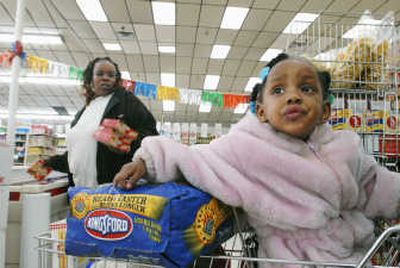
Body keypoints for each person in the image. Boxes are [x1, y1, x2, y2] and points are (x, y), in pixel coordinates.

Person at [113, 53, 400, 266]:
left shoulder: (344, 146)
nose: (293, 97)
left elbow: (374, 184)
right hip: (291, 260)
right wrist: (146, 162)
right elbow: (193, 157)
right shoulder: (246, 149)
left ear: (325, 111)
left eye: (307, 88)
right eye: (278, 90)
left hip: (360, 254)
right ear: (261, 111)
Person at [43, 57, 158, 187]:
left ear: (117, 79)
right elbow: (75, 154)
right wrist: (45, 165)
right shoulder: (83, 112)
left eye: (111, 75)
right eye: (100, 74)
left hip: (113, 190)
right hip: (79, 193)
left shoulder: (126, 101)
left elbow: (152, 138)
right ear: (90, 79)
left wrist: (127, 142)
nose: (105, 78)